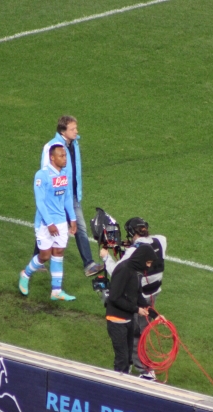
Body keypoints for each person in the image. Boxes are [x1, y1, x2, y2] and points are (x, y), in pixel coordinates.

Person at [100, 217, 167, 380]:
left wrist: (106, 257)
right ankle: (132, 369)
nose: (149, 266)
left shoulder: (133, 257)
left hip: (136, 298)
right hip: (151, 293)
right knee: (134, 338)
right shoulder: (160, 240)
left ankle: (142, 370)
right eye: (148, 262)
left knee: (137, 335)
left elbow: (116, 272)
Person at [40, 116, 104, 277]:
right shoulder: (51, 147)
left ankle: (89, 264)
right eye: (72, 129)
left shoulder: (74, 144)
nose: (76, 131)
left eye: (76, 128)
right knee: (48, 228)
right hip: (55, 197)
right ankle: (39, 261)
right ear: (63, 131)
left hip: (71, 195)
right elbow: (45, 173)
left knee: (80, 227)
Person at [19, 144, 78, 301]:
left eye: (65, 156)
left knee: (58, 252)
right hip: (45, 223)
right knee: (44, 256)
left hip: (61, 221)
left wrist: (72, 219)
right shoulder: (42, 175)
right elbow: (40, 202)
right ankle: (25, 274)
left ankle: (56, 291)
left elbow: (67, 198)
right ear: (52, 158)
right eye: (61, 156)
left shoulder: (64, 174)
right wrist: (50, 223)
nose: (65, 159)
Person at [105, 244, 157, 374]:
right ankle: (116, 383)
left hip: (128, 321)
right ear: (142, 259)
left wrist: (155, 315)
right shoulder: (123, 270)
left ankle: (123, 379)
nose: (149, 266)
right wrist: (136, 309)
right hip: (116, 321)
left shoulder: (136, 272)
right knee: (122, 359)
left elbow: (138, 295)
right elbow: (114, 298)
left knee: (128, 359)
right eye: (148, 262)